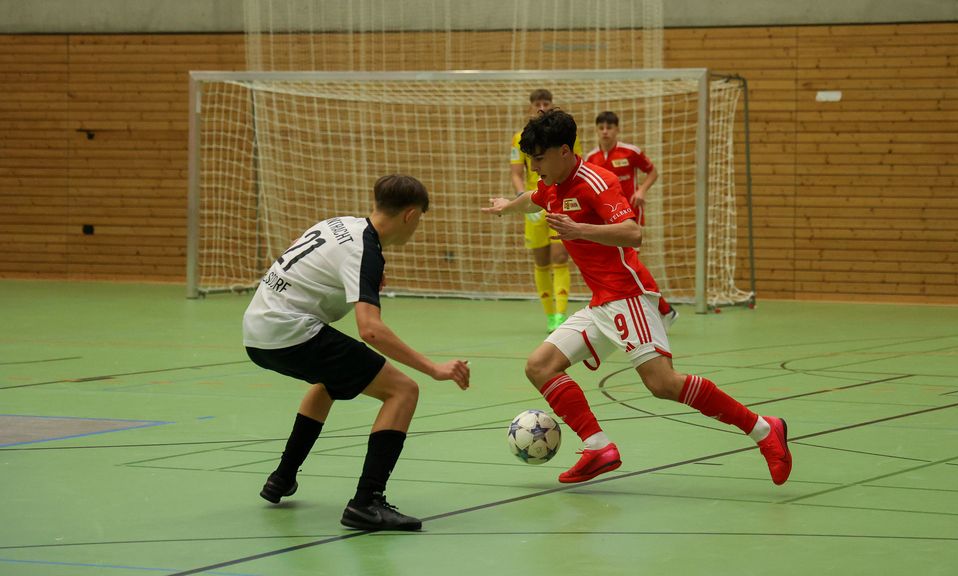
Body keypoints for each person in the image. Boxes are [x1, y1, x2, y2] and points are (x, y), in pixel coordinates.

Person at [484, 110, 791, 485]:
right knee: (539, 366)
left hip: (628, 295)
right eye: (530, 160)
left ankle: (764, 430)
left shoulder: (598, 182)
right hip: (601, 302)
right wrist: (507, 206)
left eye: (539, 159)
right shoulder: (552, 184)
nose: (534, 167)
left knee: (662, 384)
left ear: (564, 151)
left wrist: (579, 229)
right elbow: (534, 197)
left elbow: (632, 233)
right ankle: (598, 447)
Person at [244, 174, 470, 531]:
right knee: (403, 390)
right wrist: (433, 368)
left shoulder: (338, 224)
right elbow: (371, 330)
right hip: (290, 332)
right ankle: (367, 502)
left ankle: (282, 477)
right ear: (410, 215)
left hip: (257, 331)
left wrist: (356, 280)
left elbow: (301, 254)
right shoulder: (365, 249)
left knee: (331, 380)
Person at [584, 111, 674, 323]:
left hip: (629, 215)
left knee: (629, 264)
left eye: (610, 127)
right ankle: (656, 310)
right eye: (601, 127)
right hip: (604, 220)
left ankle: (661, 310)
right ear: (596, 130)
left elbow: (652, 171)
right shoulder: (591, 158)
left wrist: (641, 190)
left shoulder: (630, 152)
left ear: (617, 129)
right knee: (619, 265)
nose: (605, 131)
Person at [510, 89, 582, 333]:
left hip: (559, 201)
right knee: (541, 262)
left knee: (560, 257)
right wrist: (522, 199)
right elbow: (516, 173)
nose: (541, 106)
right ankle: (549, 314)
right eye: (537, 103)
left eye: (546, 102)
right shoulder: (520, 137)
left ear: (552, 105)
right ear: (530, 107)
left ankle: (561, 314)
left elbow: (574, 167)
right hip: (534, 204)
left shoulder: (566, 136)